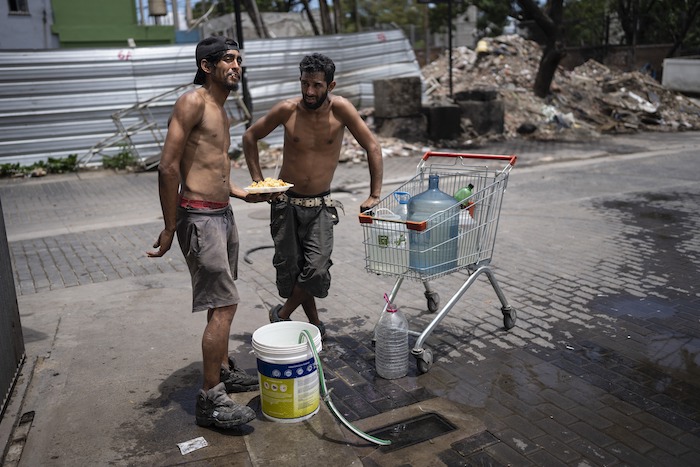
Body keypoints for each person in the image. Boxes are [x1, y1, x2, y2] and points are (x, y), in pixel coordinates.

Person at [148, 36, 267, 429]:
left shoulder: (222, 108)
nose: (236, 66)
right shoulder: (193, 101)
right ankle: (209, 399)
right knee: (225, 305)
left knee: (222, 302)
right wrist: (169, 227)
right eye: (229, 60)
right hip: (199, 218)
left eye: (238, 60)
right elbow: (168, 167)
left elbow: (215, 168)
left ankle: (224, 370)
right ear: (206, 65)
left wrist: (242, 193)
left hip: (222, 213)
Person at [242, 53, 383, 339]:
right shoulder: (286, 110)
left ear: (330, 86)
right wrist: (258, 181)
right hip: (285, 204)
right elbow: (250, 137)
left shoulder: (341, 109)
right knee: (294, 270)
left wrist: (374, 194)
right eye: (305, 84)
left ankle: (281, 314)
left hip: (320, 206)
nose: (309, 92)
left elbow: (373, 147)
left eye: (317, 85)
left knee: (316, 269)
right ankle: (315, 324)